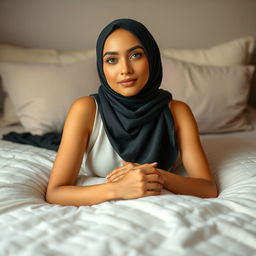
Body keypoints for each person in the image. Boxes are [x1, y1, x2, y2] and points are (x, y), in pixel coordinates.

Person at [46, 18, 218, 206]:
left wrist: (154, 175)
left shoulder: (178, 111)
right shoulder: (85, 110)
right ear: (101, 67)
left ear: (151, 58)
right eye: (112, 60)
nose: (125, 70)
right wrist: (118, 189)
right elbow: (55, 193)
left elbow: (207, 188)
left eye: (135, 55)